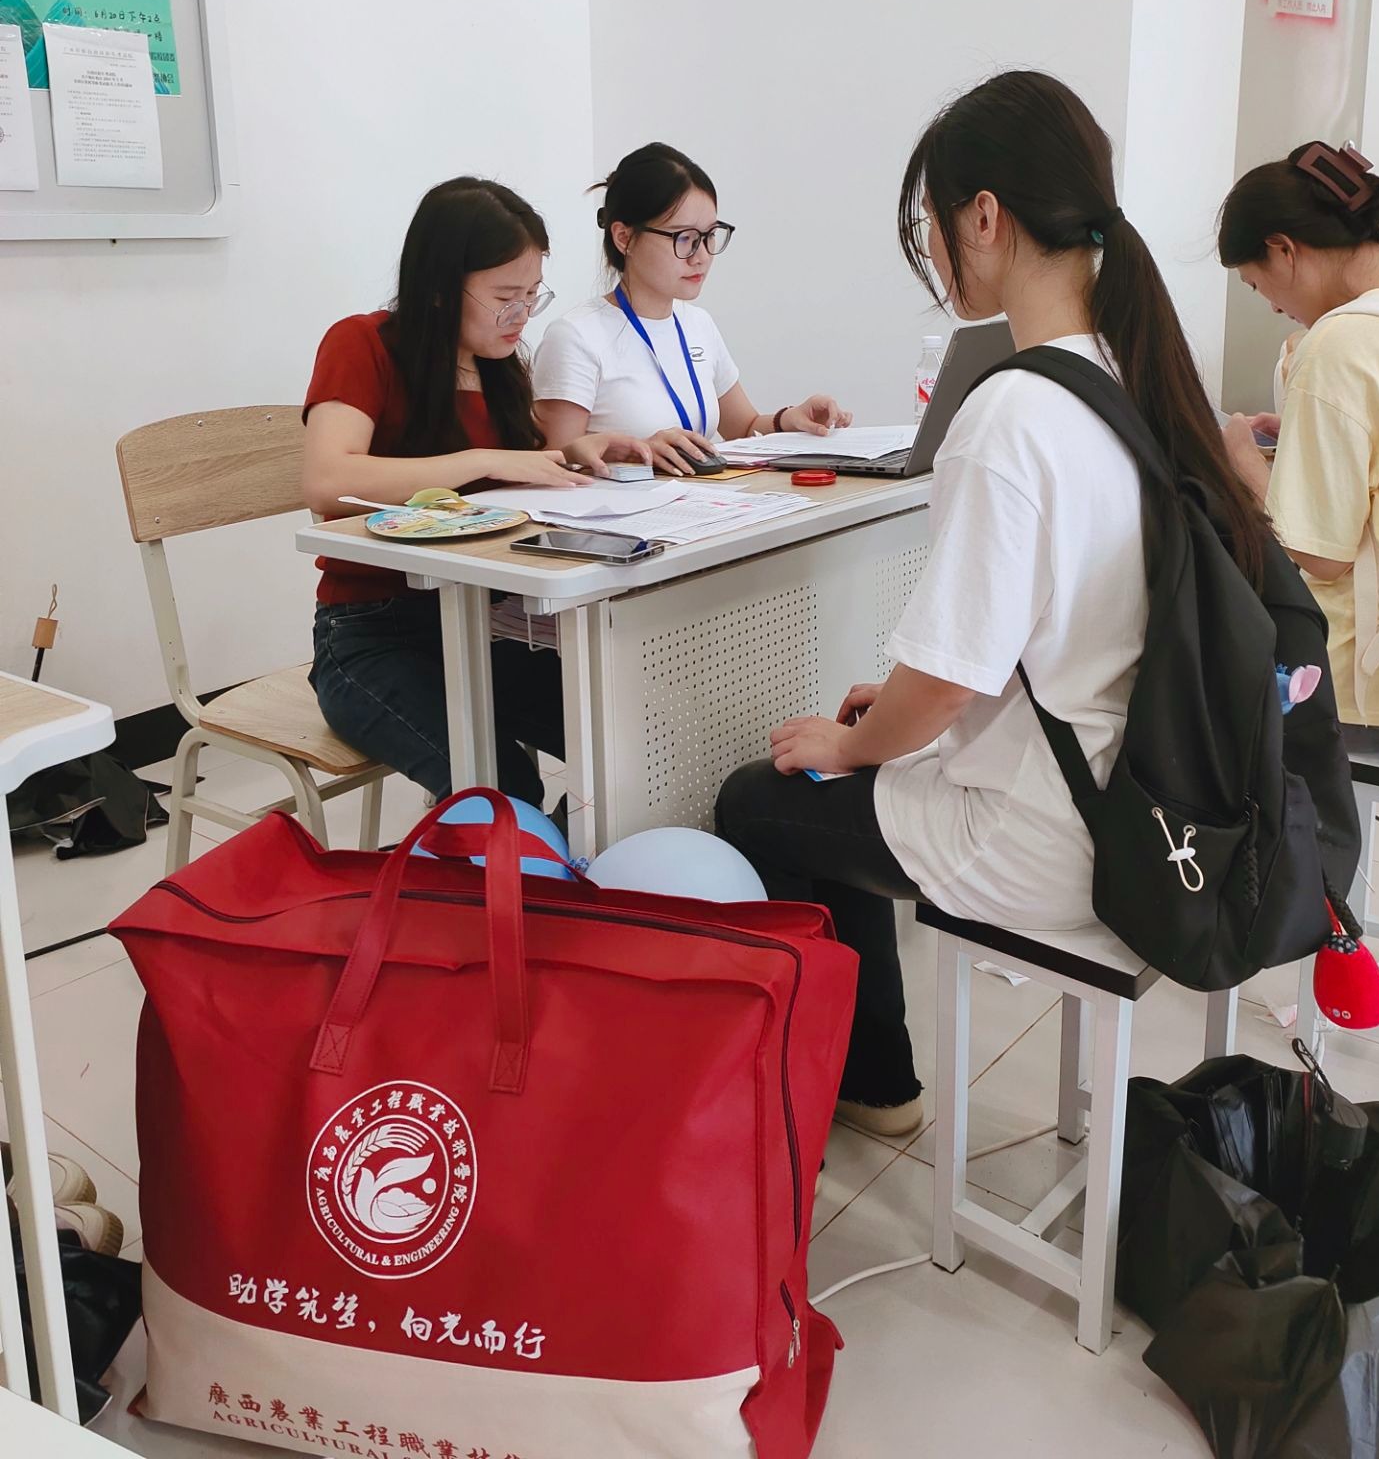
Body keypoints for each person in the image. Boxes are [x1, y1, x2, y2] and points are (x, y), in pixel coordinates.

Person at [716, 71, 1271, 1137]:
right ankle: (870, 1073)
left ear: (982, 217)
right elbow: (1030, 643)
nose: (931, 253)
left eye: (927, 225)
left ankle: (873, 1083)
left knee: (760, 798)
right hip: (1151, 800)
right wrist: (896, 723)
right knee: (864, 756)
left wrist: (856, 743)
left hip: (1055, 840)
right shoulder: (1133, 370)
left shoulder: (1012, 412)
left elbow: (947, 681)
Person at [302, 177, 646, 807]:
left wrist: (575, 451)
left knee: (630, 739)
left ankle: (578, 864)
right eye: (505, 297)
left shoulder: (499, 368)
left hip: (485, 625)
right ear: (439, 288)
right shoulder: (363, 344)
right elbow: (328, 482)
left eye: (532, 295)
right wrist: (480, 460)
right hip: (371, 637)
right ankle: (515, 865)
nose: (522, 314)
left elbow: (512, 486)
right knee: (504, 789)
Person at [1218, 140, 1379, 750]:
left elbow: (1321, 555)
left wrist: (1243, 462)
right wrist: (1304, 441)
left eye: (1256, 283)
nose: (1272, 305)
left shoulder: (1339, 344)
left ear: (1283, 250)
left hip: (1355, 687)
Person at [533, 142, 853, 475]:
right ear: (624, 238)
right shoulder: (576, 336)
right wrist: (638, 452)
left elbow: (743, 428)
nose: (701, 256)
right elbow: (556, 465)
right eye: (684, 238)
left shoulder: (697, 323)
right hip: (623, 508)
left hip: (700, 503)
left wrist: (788, 419)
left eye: (710, 235)